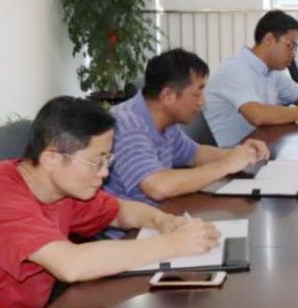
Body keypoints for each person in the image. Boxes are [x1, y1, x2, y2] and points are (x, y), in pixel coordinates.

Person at [0, 97, 219, 308]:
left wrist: (164, 221)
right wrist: (172, 245)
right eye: (96, 162)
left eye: (107, 160)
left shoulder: (60, 187)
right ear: (51, 158)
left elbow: (120, 212)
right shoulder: (0, 199)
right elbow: (71, 265)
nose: (104, 173)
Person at [105, 49, 270, 209]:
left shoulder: (165, 121)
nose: (202, 101)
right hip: (132, 225)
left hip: (162, 213)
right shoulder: (126, 124)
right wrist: (226, 165)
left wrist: (240, 154)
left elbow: (195, 154)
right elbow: (157, 186)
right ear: (168, 96)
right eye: (197, 94)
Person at [203, 10, 298, 147]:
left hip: (259, 146)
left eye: (295, 49)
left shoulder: (272, 71)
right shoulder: (235, 69)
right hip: (229, 153)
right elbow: (258, 115)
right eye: (290, 46)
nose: (293, 54)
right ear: (268, 39)